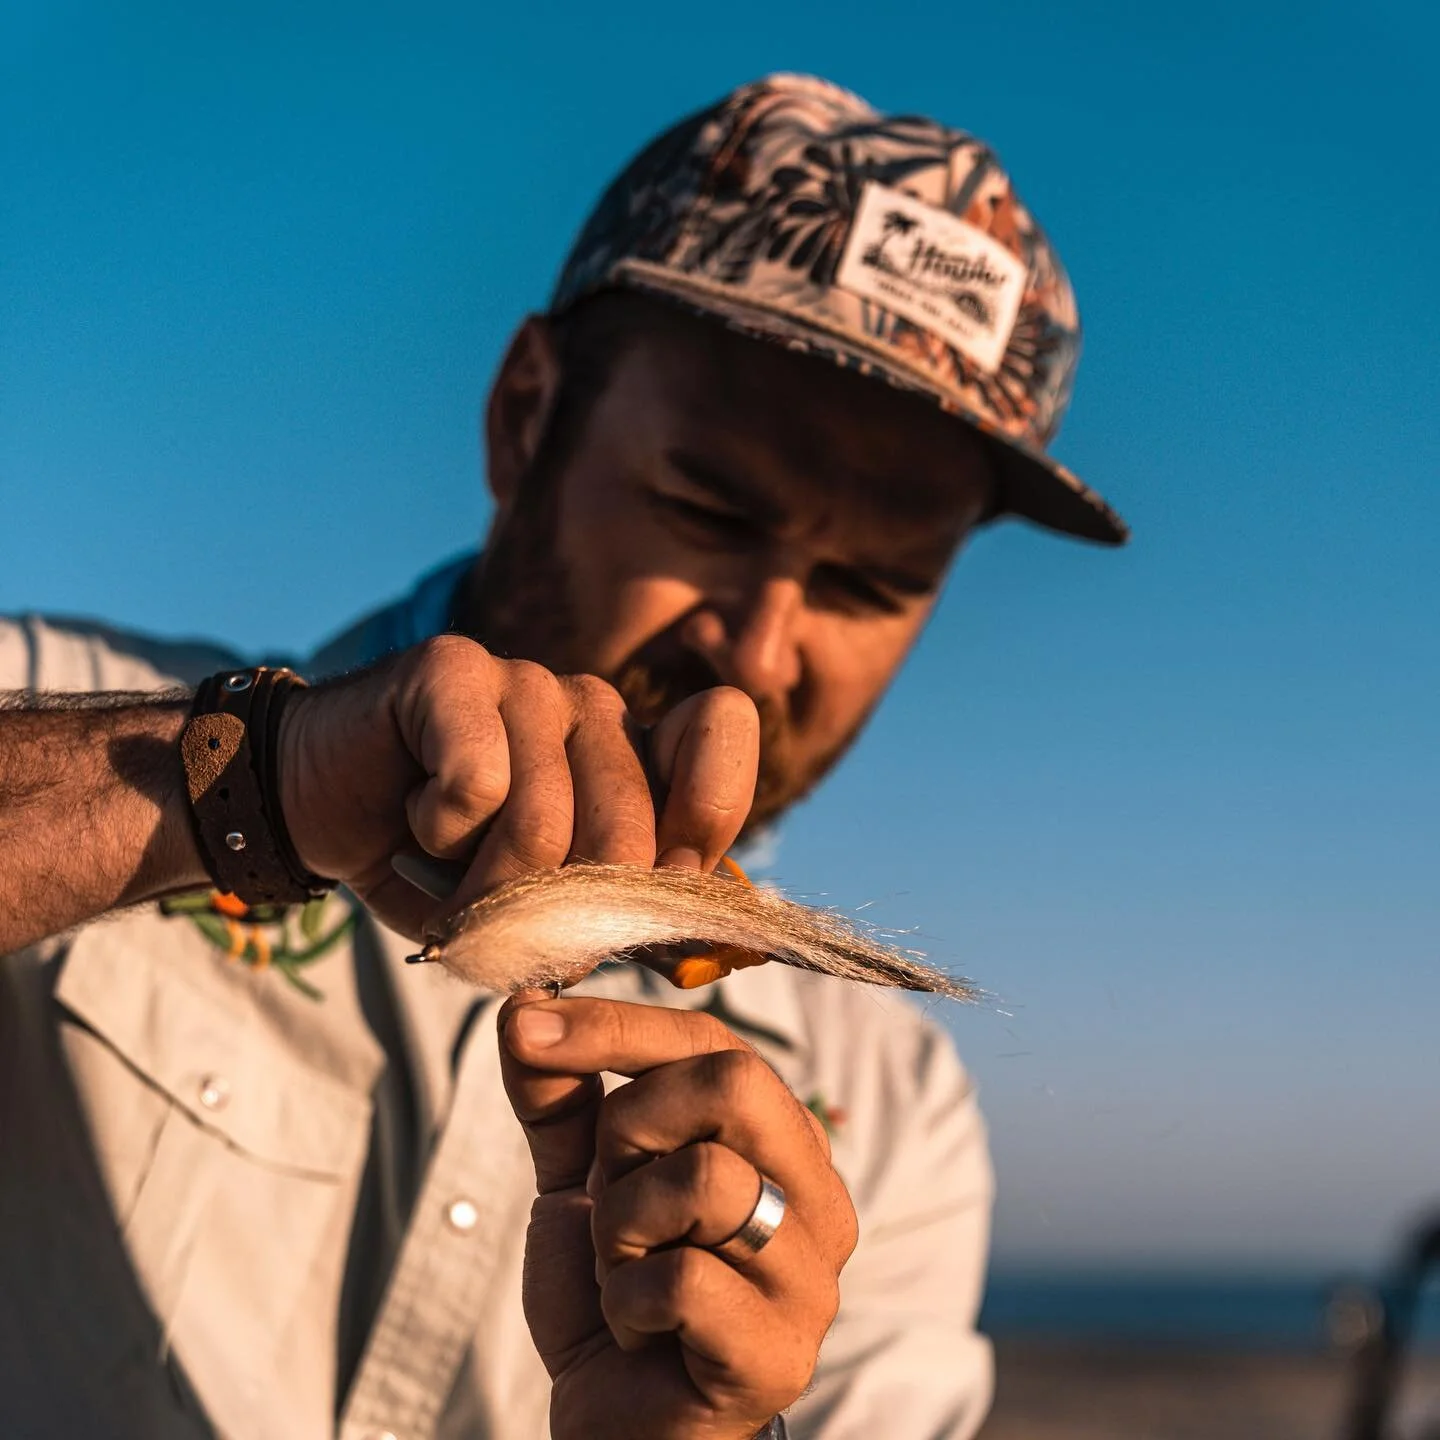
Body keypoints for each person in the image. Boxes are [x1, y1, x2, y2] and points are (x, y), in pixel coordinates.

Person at [0, 73, 1127, 1440]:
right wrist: (251, 787)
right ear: (525, 416)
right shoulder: (73, 713)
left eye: (874, 584)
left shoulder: (893, 1121)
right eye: (707, 506)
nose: (764, 650)